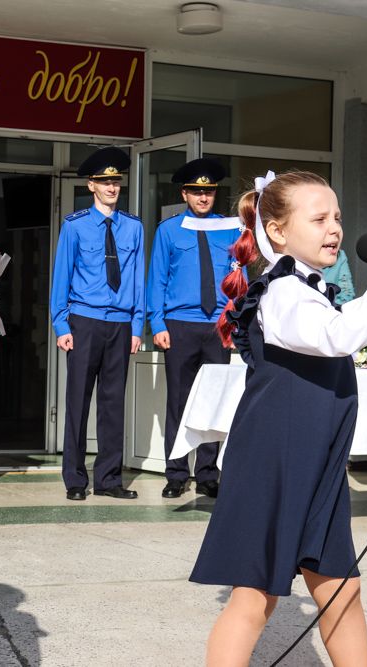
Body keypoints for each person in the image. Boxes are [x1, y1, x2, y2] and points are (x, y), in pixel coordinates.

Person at [189, 170, 367, 667]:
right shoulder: (282, 292)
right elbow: (337, 335)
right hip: (276, 461)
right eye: (318, 219)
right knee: (255, 596)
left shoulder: (308, 289)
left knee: (341, 589)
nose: (334, 228)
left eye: (337, 217)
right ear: (277, 230)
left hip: (315, 463)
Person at [50, 146, 145, 501]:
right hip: (84, 321)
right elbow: (61, 277)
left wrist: (137, 326)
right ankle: (75, 480)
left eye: (116, 181)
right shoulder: (74, 226)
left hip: (120, 323)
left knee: (113, 404)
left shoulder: (133, 227)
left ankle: (108, 479)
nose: (112, 187)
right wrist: (61, 325)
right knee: (78, 401)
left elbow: (138, 280)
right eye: (104, 182)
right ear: (91, 185)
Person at [147, 158, 239, 499]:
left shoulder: (229, 229)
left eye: (209, 191)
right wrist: (157, 322)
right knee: (179, 401)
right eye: (197, 191)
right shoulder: (169, 230)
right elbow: (157, 278)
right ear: (184, 194)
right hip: (180, 325)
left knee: (214, 401)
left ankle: (207, 473)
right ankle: (176, 473)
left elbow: (238, 281)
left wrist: (234, 323)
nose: (203, 197)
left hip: (217, 326)